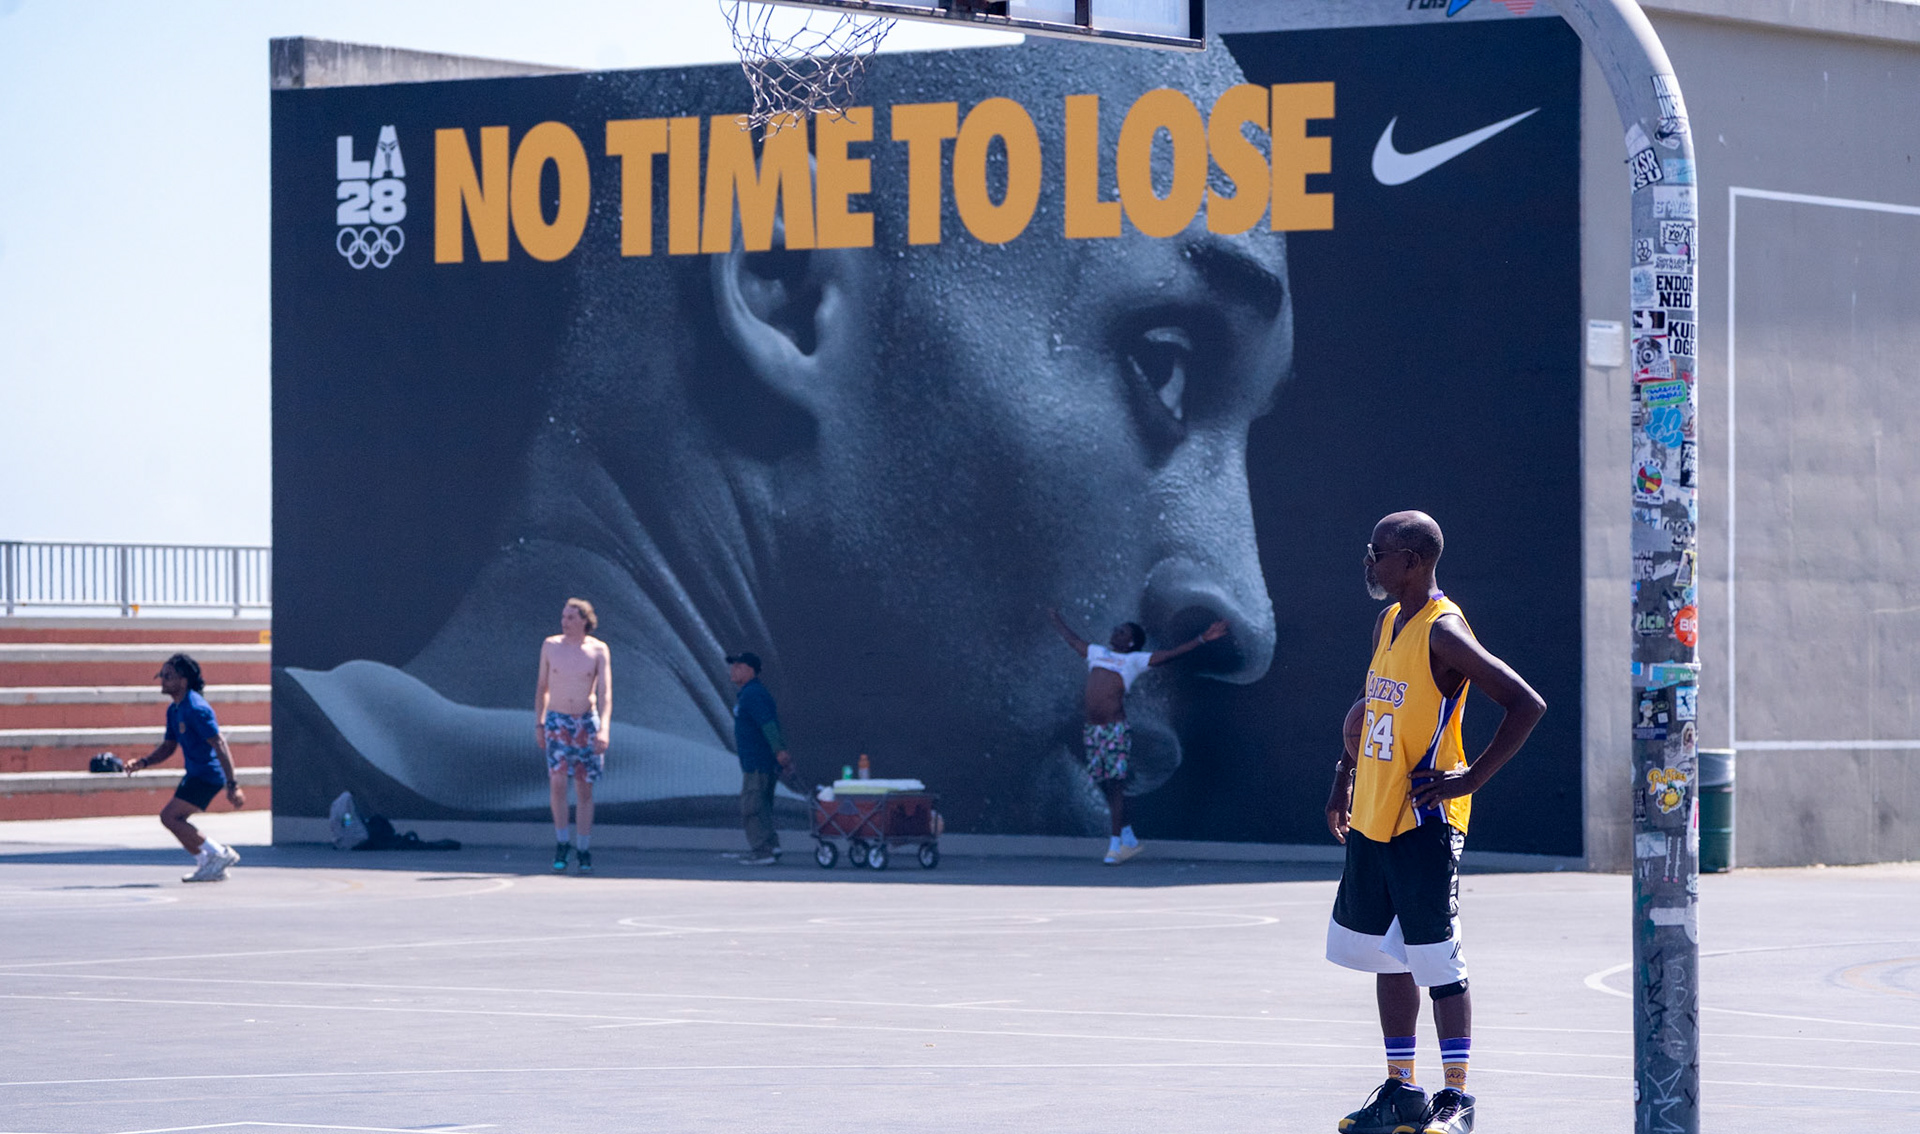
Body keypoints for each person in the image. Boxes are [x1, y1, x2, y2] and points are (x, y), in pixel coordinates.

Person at [277, 39, 1287, 839]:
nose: (1247, 614)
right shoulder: (790, 877)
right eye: (1165, 365)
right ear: (787, 280)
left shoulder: (311, 774)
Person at [1323, 511, 1545, 1134]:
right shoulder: (1389, 620)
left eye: (1379, 552)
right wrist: (1342, 775)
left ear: (1414, 560)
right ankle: (1401, 1091)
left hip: (1424, 821)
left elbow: (1526, 703)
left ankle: (1456, 1098)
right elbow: (1370, 706)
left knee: (1438, 960)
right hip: (1376, 812)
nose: (1370, 562)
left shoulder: (1443, 631)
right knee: (1386, 954)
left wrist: (1470, 778)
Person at [1049, 609, 1230, 863]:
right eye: (1117, 629)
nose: (1116, 632)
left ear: (1131, 642)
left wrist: (1202, 639)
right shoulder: (1097, 653)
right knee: (1103, 782)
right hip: (1093, 730)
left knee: (1115, 785)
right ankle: (1127, 835)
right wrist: (1056, 618)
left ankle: (1116, 846)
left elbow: (1169, 655)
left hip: (1114, 729)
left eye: (1122, 631)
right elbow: (1073, 640)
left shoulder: (1133, 661)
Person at [125, 653, 247, 883]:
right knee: (172, 819)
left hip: (207, 774)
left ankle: (219, 853)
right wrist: (143, 762)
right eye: (161, 675)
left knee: (170, 817)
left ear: (183, 681)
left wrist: (233, 784)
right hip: (195, 774)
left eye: (168, 676)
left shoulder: (196, 708)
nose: (162, 680)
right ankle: (207, 863)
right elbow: (168, 747)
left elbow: (220, 743)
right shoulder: (174, 710)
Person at [535, 598, 612, 873]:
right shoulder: (550, 645)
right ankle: (562, 842)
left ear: (584, 621)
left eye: (570, 617)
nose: (564, 622)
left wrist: (603, 728)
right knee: (557, 782)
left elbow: (605, 693)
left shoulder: (598, 650)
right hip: (557, 720)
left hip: (585, 722)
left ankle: (583, 847)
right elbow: (542, 687)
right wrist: (540, 724)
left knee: (583, 787)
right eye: (563, 617)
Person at [727, 652, 792, 867]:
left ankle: (763, 851)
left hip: (758, 763)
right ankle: (771, 845)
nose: (733, 670)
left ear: (750, 670)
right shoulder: (751, 693)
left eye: (738, 666)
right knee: (762, 805)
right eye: (733, 666)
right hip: (759, 762)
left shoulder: (753, 694)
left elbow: (768, 724)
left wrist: (779, 751)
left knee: (752, 807)